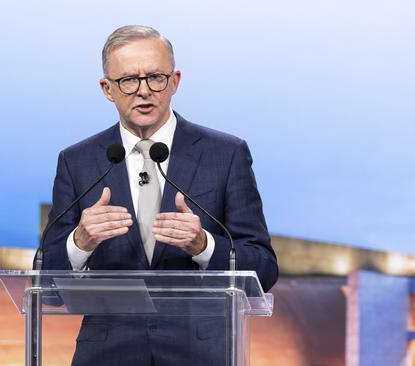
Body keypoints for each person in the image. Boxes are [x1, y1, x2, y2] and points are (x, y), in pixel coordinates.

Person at [43, 25, 278, 366]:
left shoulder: (225, 154)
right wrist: (80, 241)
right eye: (128, 80)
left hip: (201, 354)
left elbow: (264, 270)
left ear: (175, 81)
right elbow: (46, 285)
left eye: (155, 77)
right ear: (107, 89)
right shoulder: (78, 161)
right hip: (108, 354)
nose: (144, 91)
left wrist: (203, 245)